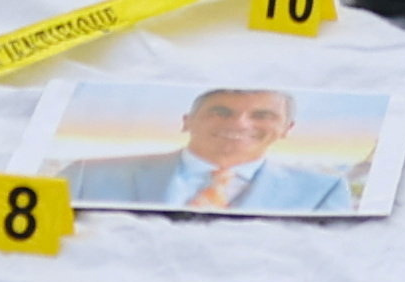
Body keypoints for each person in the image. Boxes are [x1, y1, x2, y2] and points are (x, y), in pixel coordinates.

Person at [70, 83, 355, 214]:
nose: (240, 124)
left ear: (286, 130)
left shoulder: (321, 191)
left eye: (262, 115)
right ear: (187, 121)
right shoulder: (88, 174)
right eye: (221, 112)